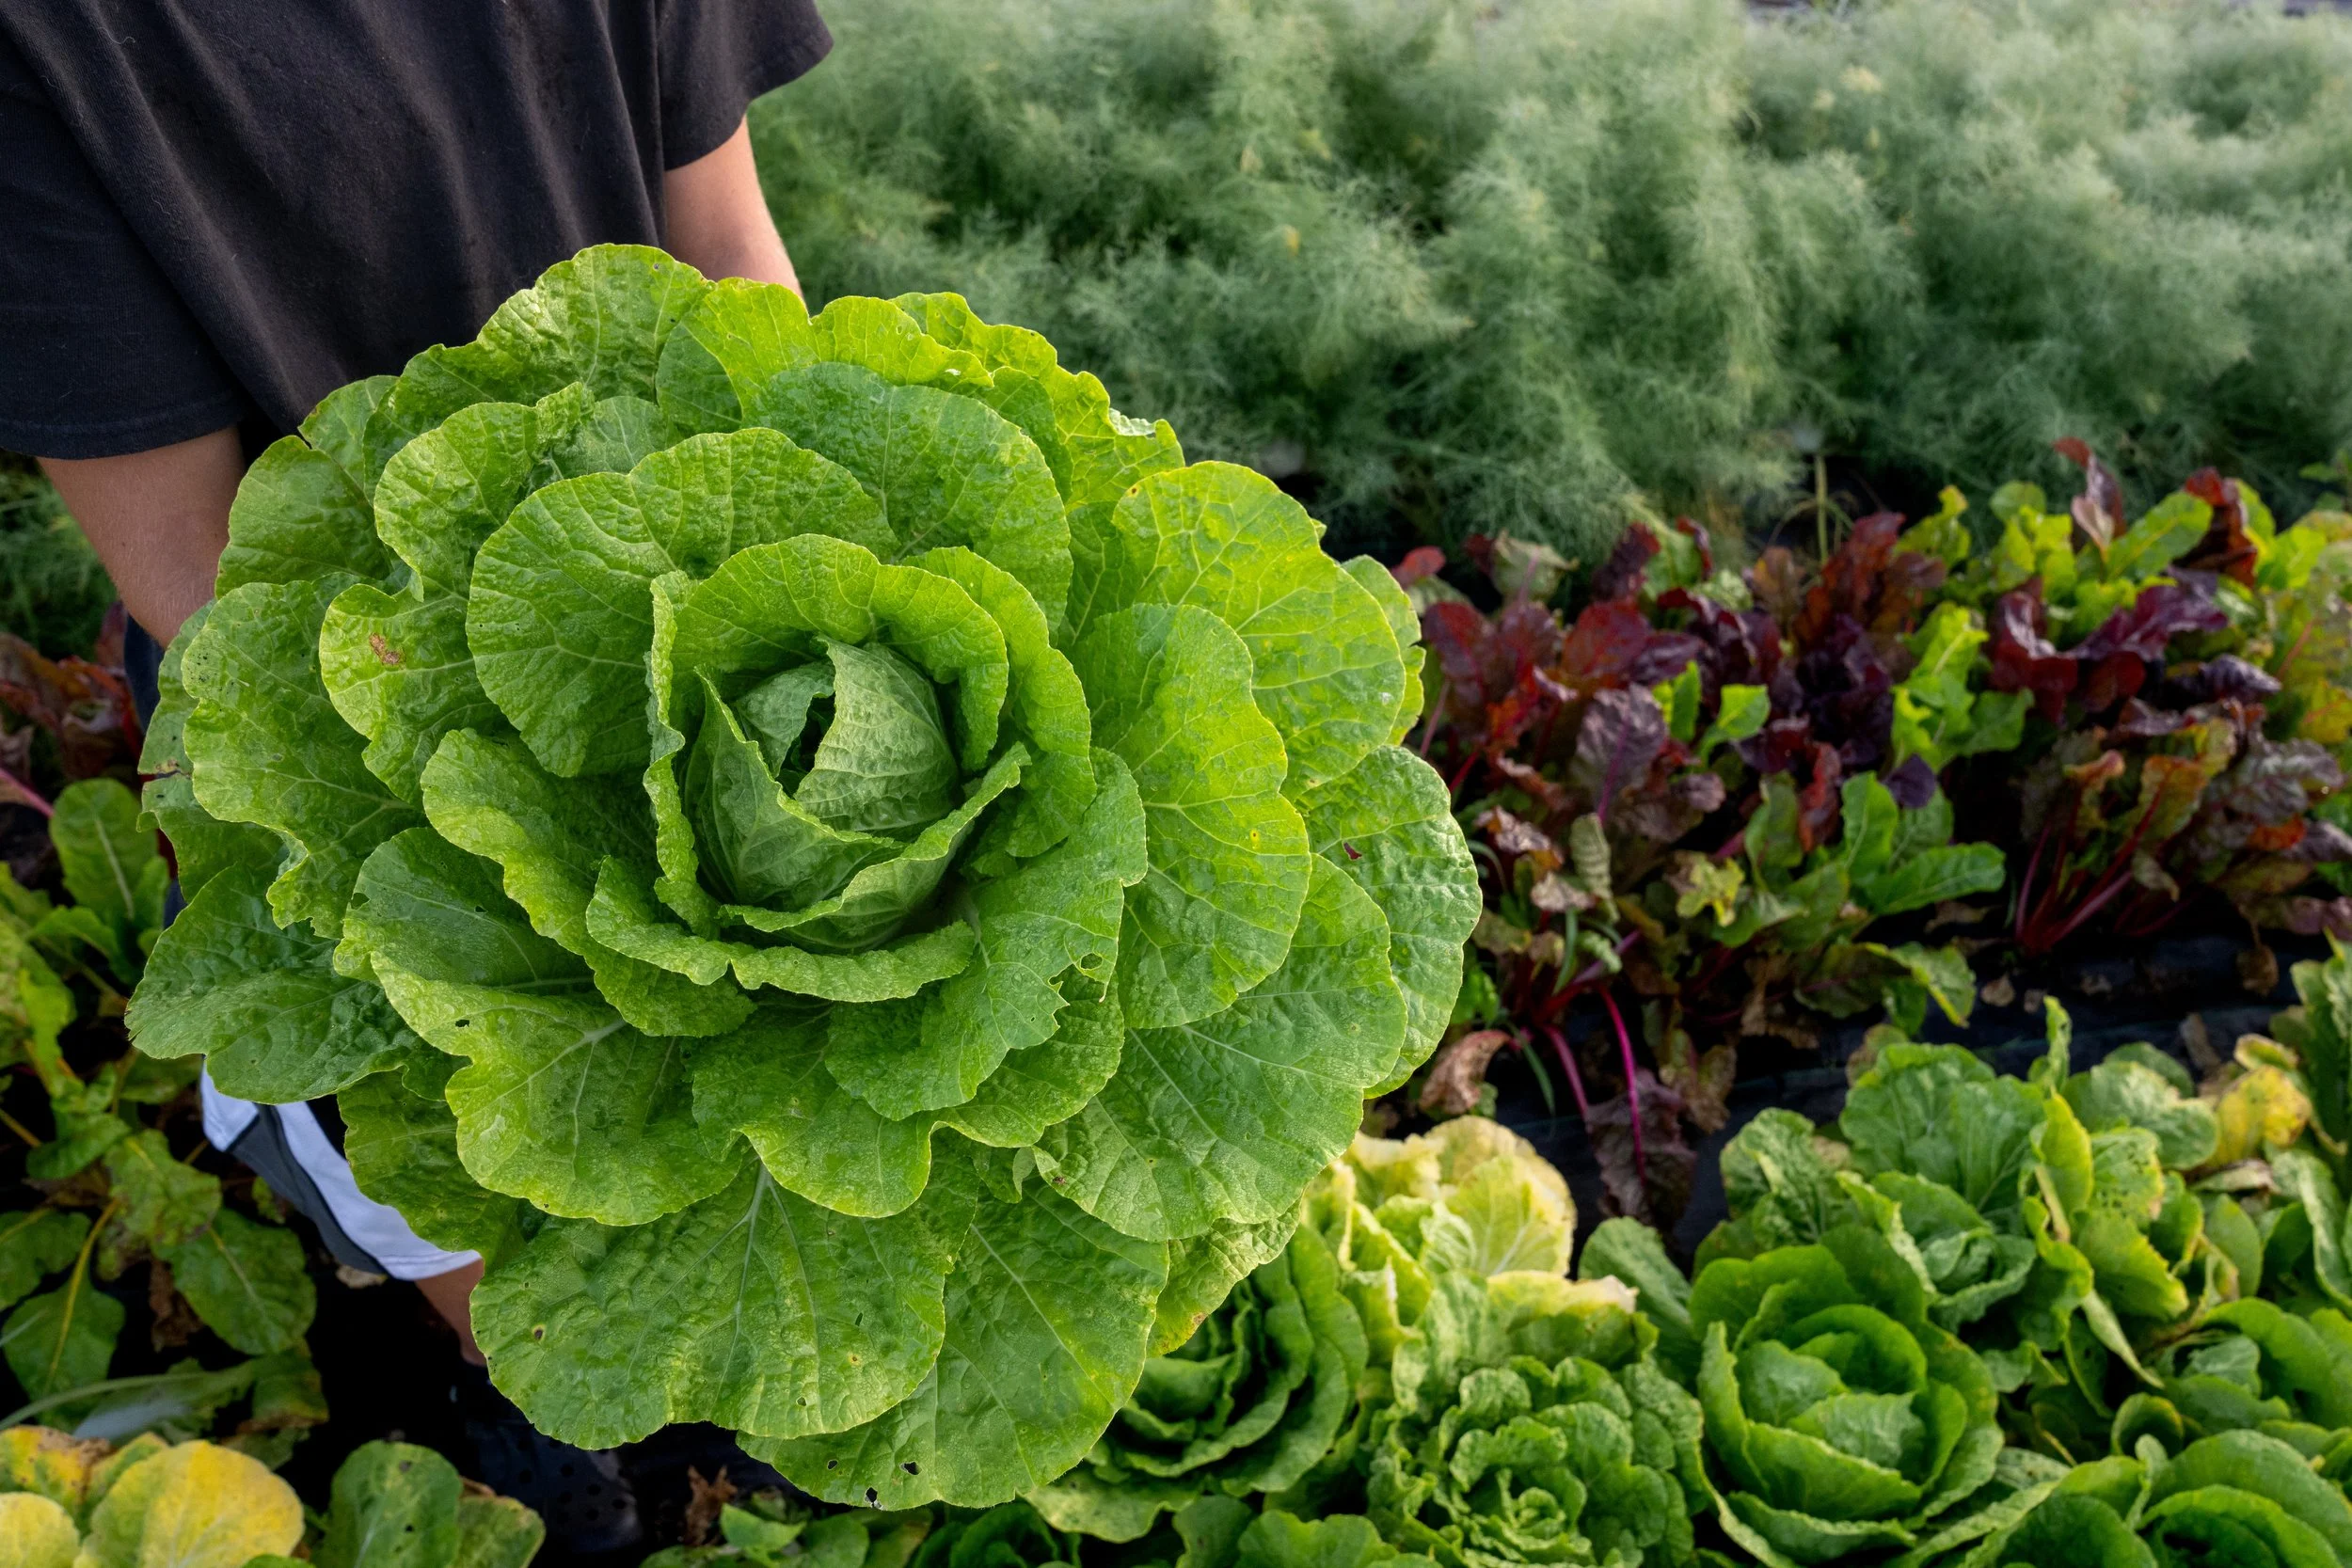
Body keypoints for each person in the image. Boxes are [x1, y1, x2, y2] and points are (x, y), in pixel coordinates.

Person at [0, 4, 832, 1553]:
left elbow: (731, 260)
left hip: (729, 667)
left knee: (790, 1241)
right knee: (522, 1293)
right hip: (359, 814)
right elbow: (214, 578)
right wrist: (570, 814)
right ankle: (529, 1409)